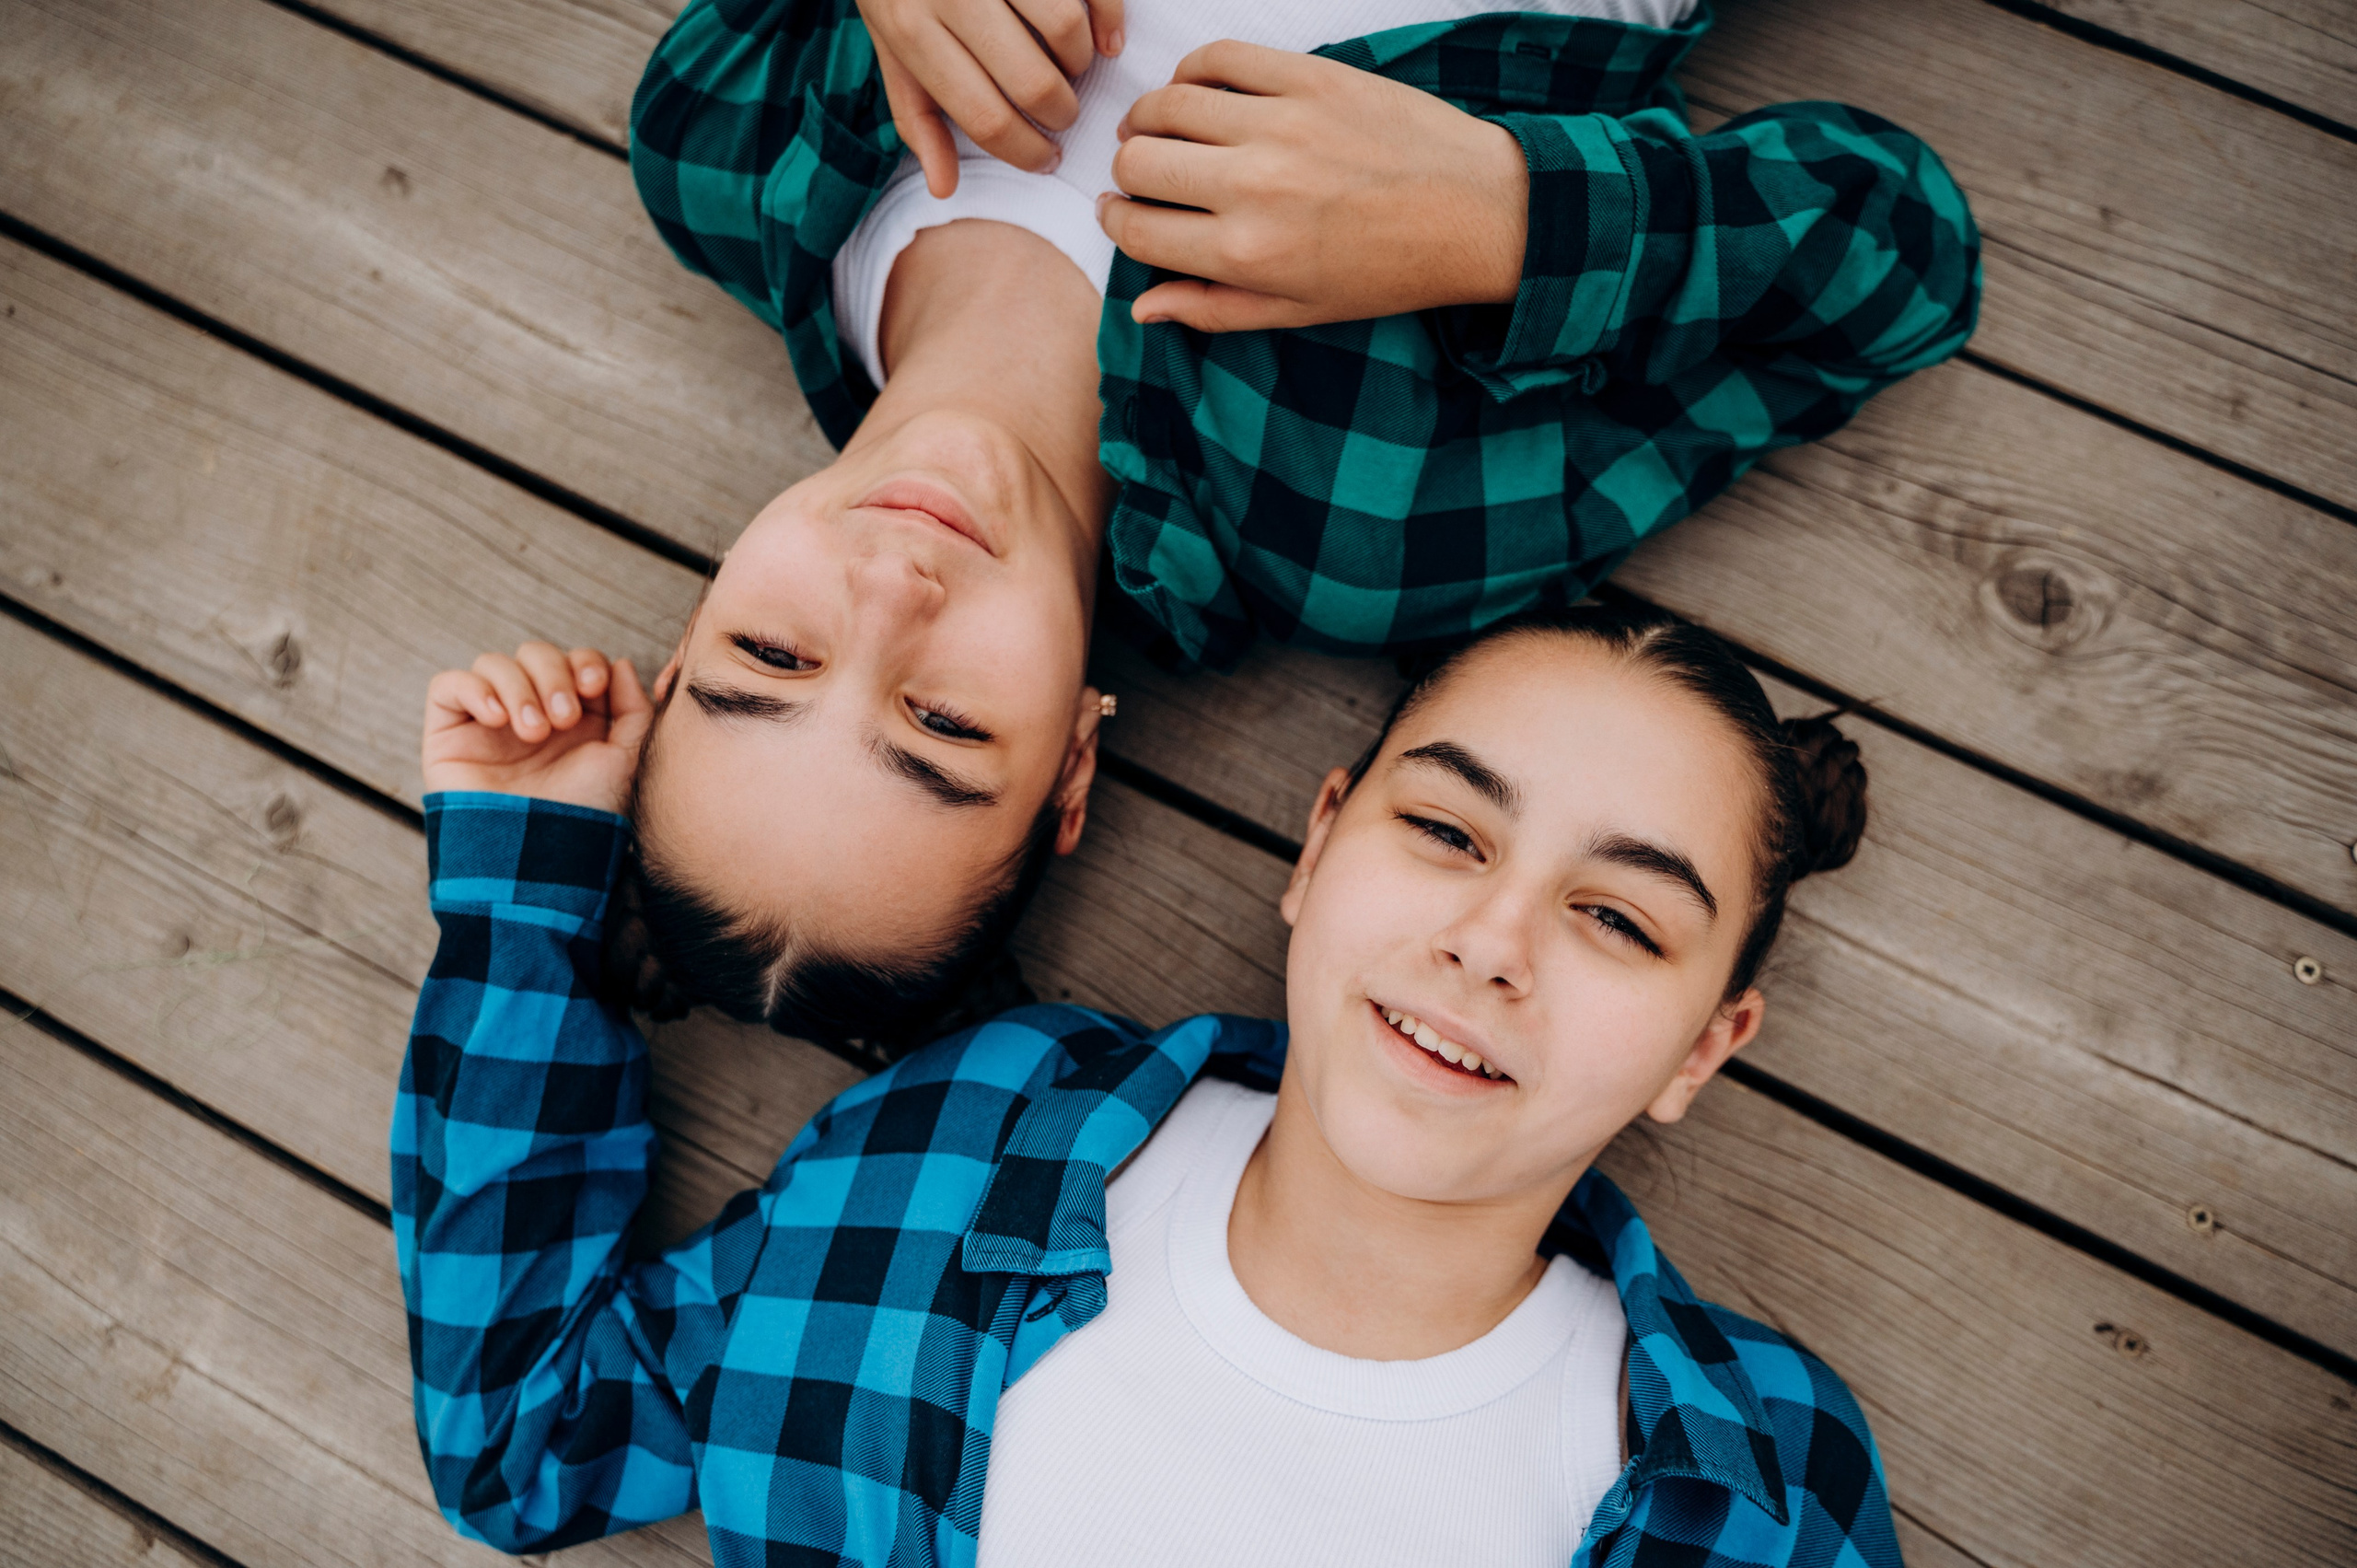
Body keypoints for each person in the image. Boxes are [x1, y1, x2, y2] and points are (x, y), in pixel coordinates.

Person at [471, 0, 1973, 1052]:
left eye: (772, 652)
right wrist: (1504, 217)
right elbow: (1896, 255)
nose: (889, 589)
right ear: (1072, 759)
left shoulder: (717, 141)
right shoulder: (1363, 515)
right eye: (942, 719)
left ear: (687, 630)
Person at [396, 602, 1896, 1566]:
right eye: (1446, 832)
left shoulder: (1763, 1485)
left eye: (1620, 920)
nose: (1490, 944)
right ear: (1316, 849)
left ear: (1702, 1047)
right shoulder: (969, 1130)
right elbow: (529, 1439)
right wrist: (529, 887)